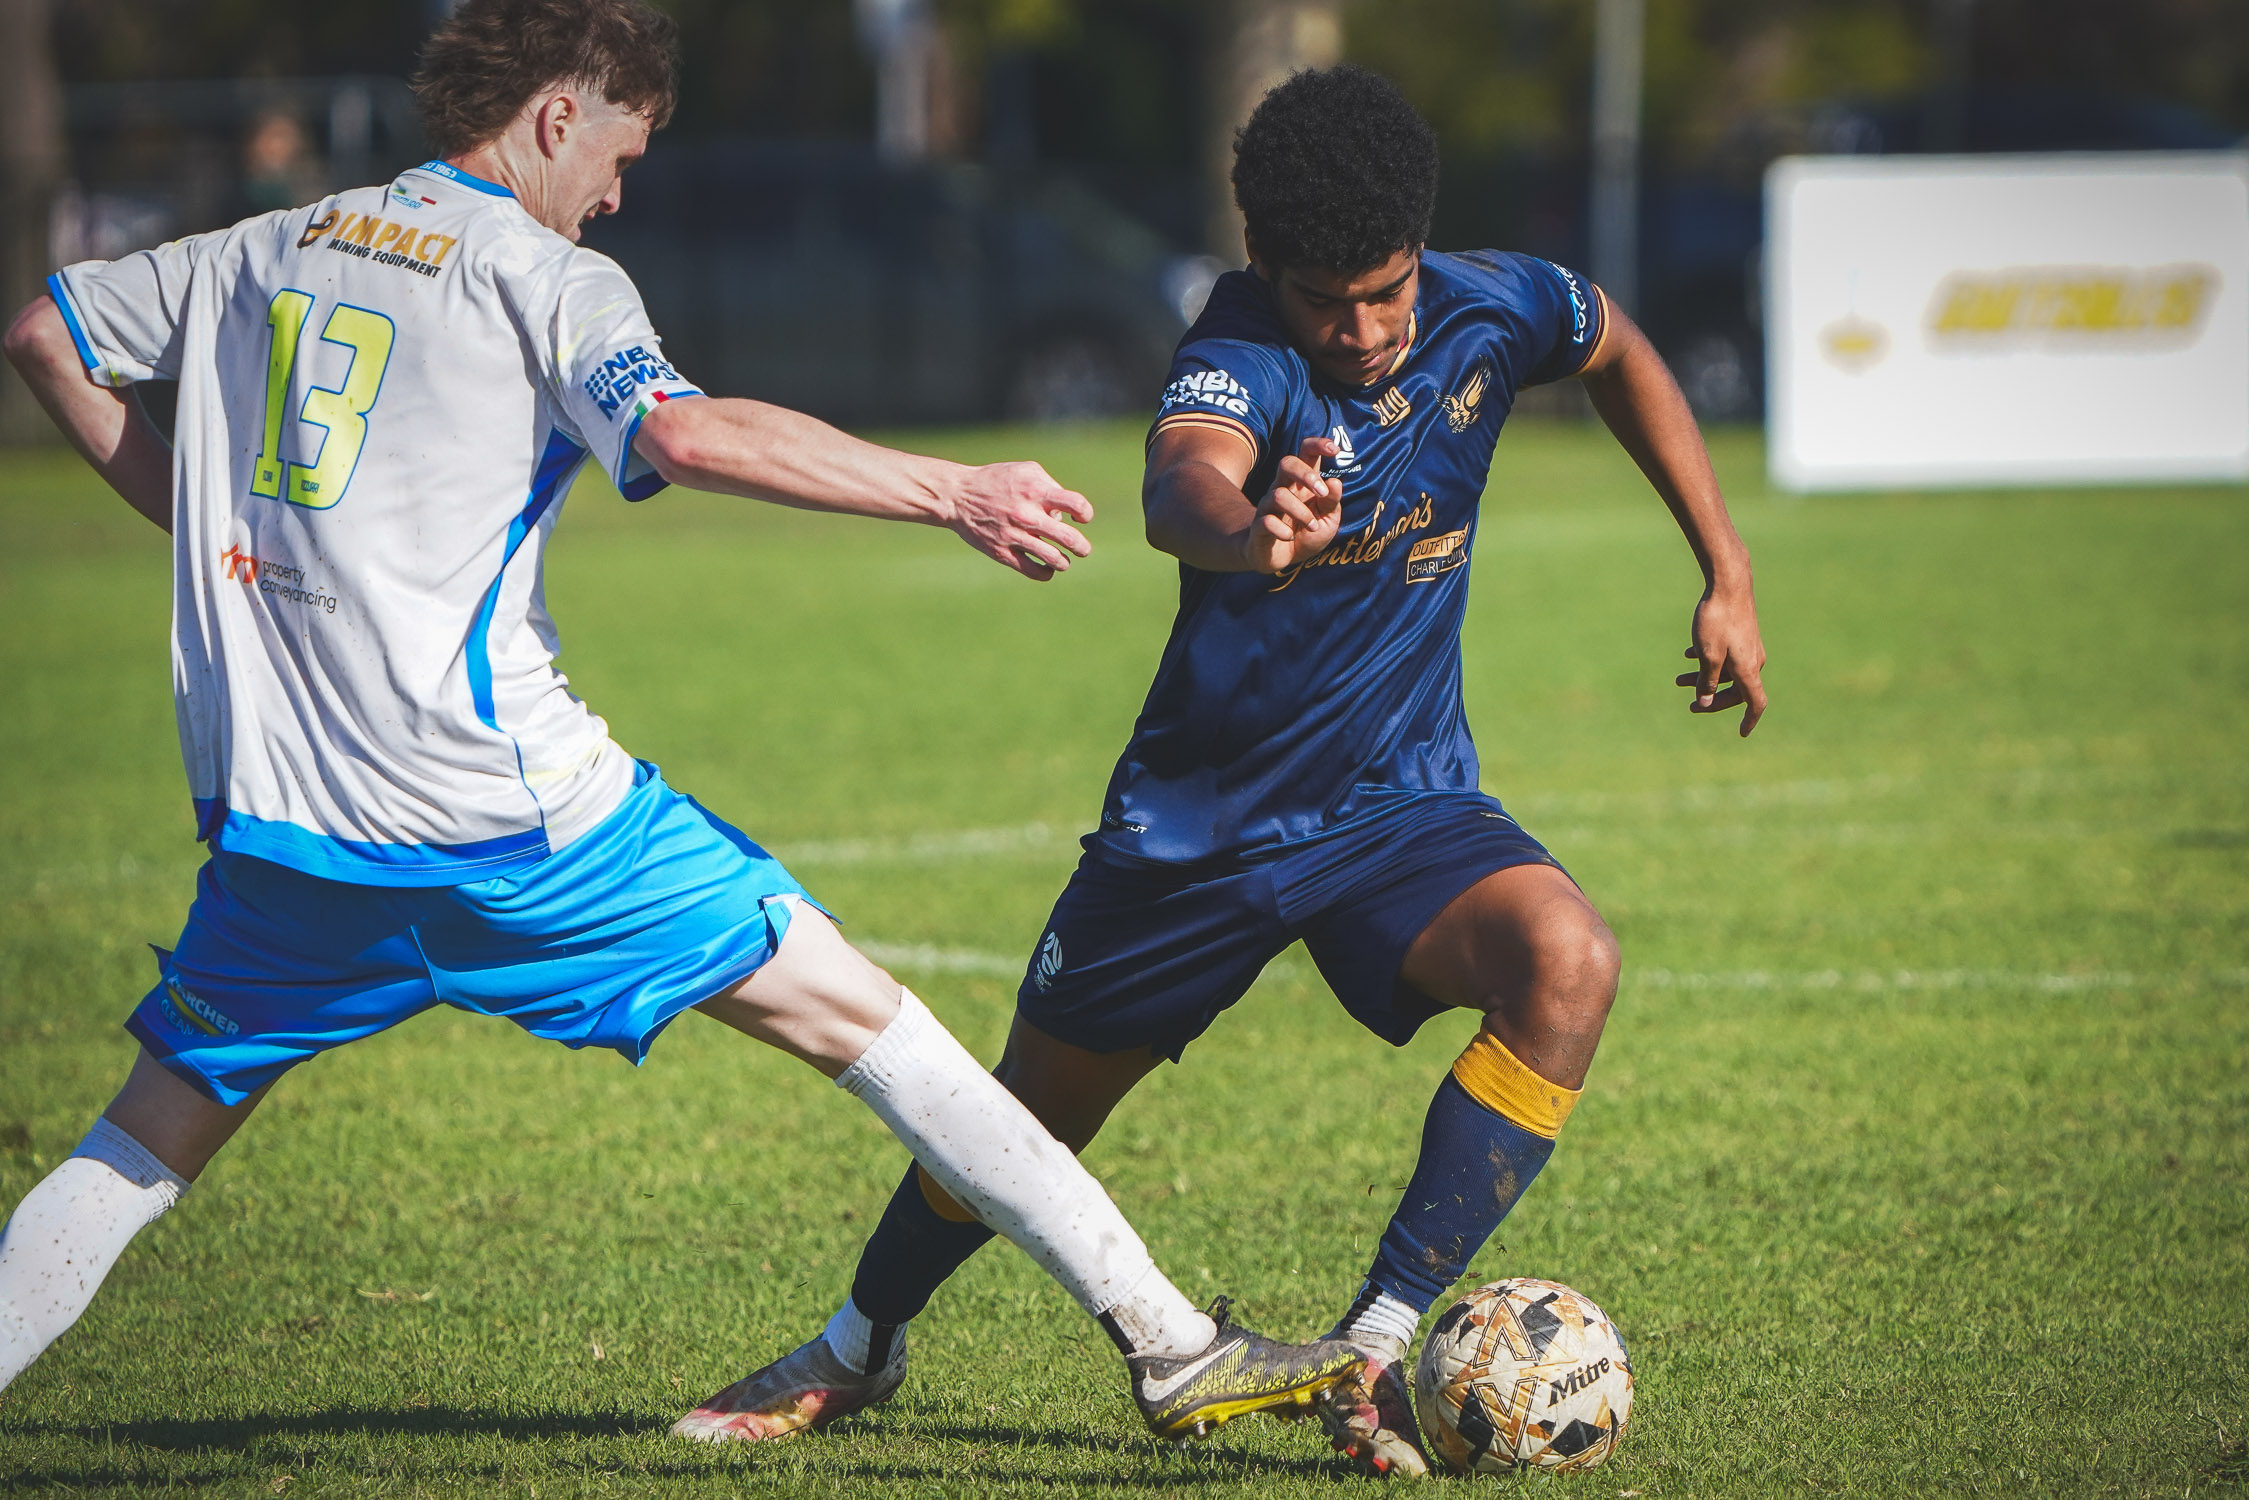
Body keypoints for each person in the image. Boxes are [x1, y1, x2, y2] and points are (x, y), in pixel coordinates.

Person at [0, 0, 1366, 1446]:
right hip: (516, 821)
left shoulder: (257, 246)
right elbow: (681, 434)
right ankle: (1167, 1344)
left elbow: (45, 331)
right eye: (621, 152)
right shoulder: (542, 274)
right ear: (551, 117)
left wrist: (200, 520)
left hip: (289, 840)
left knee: (136, 1147)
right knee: (871, 1022)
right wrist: (951, 488)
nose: (616, 191)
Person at [701, 64, 1770, 1476]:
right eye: (1327, 296)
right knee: (1017, 1125)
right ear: (1260, 263)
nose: (1365, 327)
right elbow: (1180, 485)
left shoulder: (1491, 303)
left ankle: (1372, 1355)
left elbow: (1621, 346)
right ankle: (857, 1345)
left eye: (1386, 290)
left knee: (1567, 960)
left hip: (1401, 806)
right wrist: (1256, 527)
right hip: (1195, 838)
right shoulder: (1239, 348)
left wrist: (1724, 569)